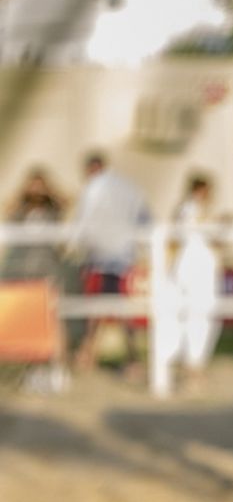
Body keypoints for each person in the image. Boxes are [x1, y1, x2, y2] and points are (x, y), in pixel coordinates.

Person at [66, 151, 148, 371]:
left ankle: (89, 353)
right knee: (118, 308)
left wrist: (70, 246)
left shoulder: (94, 188)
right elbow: (145, 217)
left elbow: (83, 220)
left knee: (97, 307)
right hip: (123, 258)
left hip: (101, 259)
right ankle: (129, 359)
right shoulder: (128, 187)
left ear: (91, 168)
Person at [152, 170, 223, 382]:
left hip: (190, 270)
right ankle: (192, 361)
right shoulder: (192, 211)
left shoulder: (190, 211)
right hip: (194, 272)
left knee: (191, 315)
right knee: (197, 315)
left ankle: (190, 360)